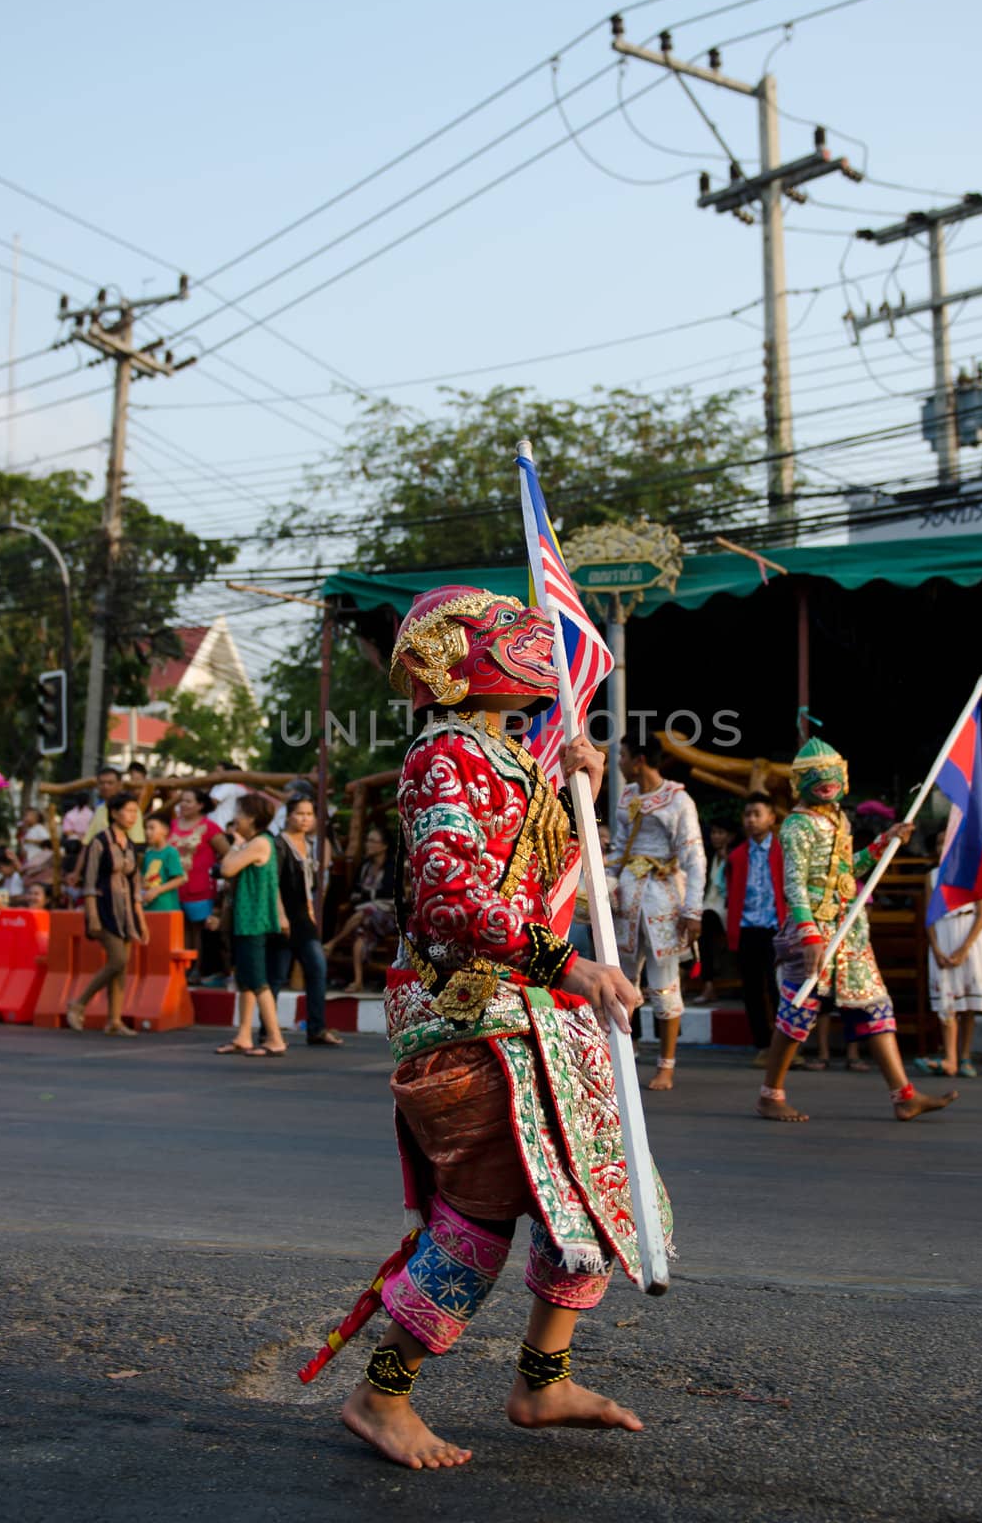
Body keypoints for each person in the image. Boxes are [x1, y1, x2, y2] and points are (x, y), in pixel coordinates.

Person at [336, 584, 669, 1471]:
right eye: (510, 633)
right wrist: (573, 967)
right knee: (480, 1212)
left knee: (595, 1195)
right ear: (458, 657)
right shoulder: (445, 754)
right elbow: (450, 901)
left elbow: (533, 874)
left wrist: (578, 789)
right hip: (468, 1015)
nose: (533, 644)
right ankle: (380, 1394)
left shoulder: (505, 753)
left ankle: (542, 1378)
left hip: (533, 1013)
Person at [757, 736, 957, 1123]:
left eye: (832, 774)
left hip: (849, 930)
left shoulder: (839, 818)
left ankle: (904, 1095)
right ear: (801, 781)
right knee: (797, 1012)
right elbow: (794, 884)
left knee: (875, 1004)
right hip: (811, 930)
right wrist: (810, 935)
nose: (827, 781)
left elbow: (849, 868)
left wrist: (885, 843)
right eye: (818, 776)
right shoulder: (797, 826)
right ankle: (770, 1094)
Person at [606, 732, 705, 1092]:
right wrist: (604, 886)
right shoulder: (627, 798)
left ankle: (666, 1065)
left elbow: (695, 859)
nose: (618, 762)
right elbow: (618, 850)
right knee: (622, 982)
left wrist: (693, 910)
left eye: (623, 755)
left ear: (640, 760)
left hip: (665, 900)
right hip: (628, 902)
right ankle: (625, 1056)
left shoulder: (678, 800)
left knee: (664, 985)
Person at [916, 828, 982, 1079]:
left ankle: (965, 1056)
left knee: (967, 1002)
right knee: (947, 1000)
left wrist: (963, 949)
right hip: (944, 933)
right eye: (939, 843)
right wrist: (937, 949)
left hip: (968, 936)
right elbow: (929, 916)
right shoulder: (932, 876)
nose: (943, 847)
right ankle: (949, 1056)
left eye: (947, 842)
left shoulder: (973, 874)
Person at [66, 791, 148, 1036]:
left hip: (126, 910)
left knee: (121, 967)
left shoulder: (131, 845)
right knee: (117, 960)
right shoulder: (100, 842)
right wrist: (91, 915)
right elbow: (89, 881)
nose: (133, 816)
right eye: (128, 811)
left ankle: (114, 1020)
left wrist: (140, 919)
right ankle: (79, 1002)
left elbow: (135, 885)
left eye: (136, 811)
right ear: (114, 813)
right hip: (104, 907)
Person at [216, 794, 289, 1058]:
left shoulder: (259, 842)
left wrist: (234, 844)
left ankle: (275, 1038)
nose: (234, 820)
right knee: (245, 980)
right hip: (248, 919)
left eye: (238, 814)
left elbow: (227, 868)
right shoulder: (258, 841)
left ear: (251, 818)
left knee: (258, 980)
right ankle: (243, 1035)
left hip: (253, 920)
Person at [269, 794, 343, 1047]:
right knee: (277, 976)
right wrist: (280, 915)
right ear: (288, 815)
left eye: (309, 814)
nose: (304, 819)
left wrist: (311, 909)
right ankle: (267, 1032)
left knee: (317, 968)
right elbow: (273, 883)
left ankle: (316, 1028)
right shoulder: (279, 844)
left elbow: (309, 884)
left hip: (303, 917)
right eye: (299, 813)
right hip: (283, 917)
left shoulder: (311, 844)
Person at [725, 793, 786, 1063]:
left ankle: (782, 1045)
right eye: (747, 814)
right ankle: (762, 1045)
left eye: (757, 814)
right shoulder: (737, 855)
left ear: (772, 818)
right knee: (751, 989)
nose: (751, 820)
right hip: (748, 927)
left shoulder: (783, 851)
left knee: (778, 988)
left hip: (777, 928)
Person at [323, 825, 396, 993]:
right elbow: (354, 893)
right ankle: (358, 980)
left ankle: (333, 942)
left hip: (388, 913)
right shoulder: (365, 866)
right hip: (367, 915)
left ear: (384, 846)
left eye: (372, 841)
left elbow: (388, 893)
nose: (367, 844)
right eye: (367, 840)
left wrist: (366, 895)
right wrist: (367, 895)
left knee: (366, 912)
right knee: (362, 932)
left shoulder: (393, 866)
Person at [169, 787, 230, 981]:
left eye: (188, 801)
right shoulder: (173, 824)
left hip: (200, 886)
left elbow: (228, 853)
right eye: (182, 801)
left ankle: (199, 968)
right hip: (174, 887)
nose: (183, 805)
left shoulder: (209, 827)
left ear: (200, 805)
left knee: (199, 929)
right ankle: (183, 967)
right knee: (181, 928)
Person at [696, 818, 734, 1005]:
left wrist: (730, 862)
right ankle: (698, 978)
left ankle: (708, 984)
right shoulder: (709, 857)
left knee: (705, 923)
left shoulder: (735, 856)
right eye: (714, 832)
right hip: (708, 906)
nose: (716, 837)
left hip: (726, 908)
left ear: (730, 836)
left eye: (721, 833)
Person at [140, 810, 185, 911]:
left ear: (165, 830)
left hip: (166, 907)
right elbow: (143, 878)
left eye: (152, 828)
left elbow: (179, 879)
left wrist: (157, 890)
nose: (147, 832)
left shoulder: (171, 852)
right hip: (149, 906)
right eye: (146, 828)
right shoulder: (148, 854)